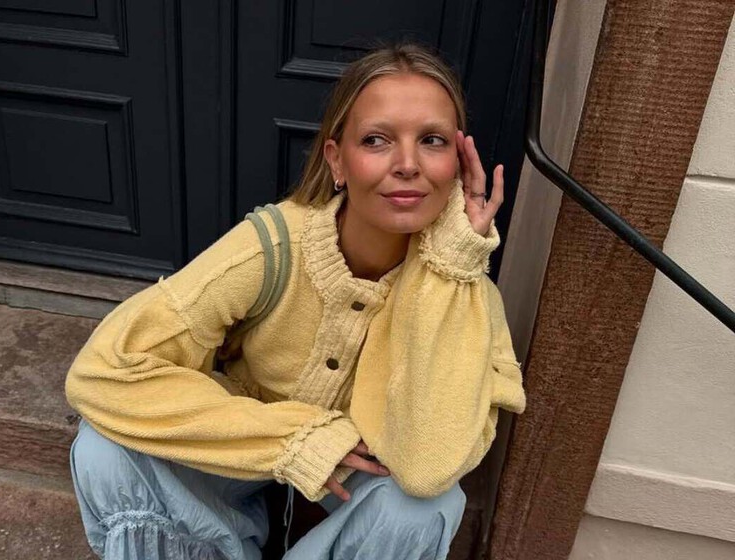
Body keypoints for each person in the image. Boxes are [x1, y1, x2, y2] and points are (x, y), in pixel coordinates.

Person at [66, 43, 527, 560]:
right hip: (243, 438)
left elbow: (426, 469)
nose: (407, 164)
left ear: (458, 162)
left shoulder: (465, 290)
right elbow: (102, 371)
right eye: (376, 140)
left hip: (363, 469)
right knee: (106, 446)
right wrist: (295, 440)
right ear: (337, 159)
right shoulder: (276, 244)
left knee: (425, 506)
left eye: (432, 140)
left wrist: (448, 267)